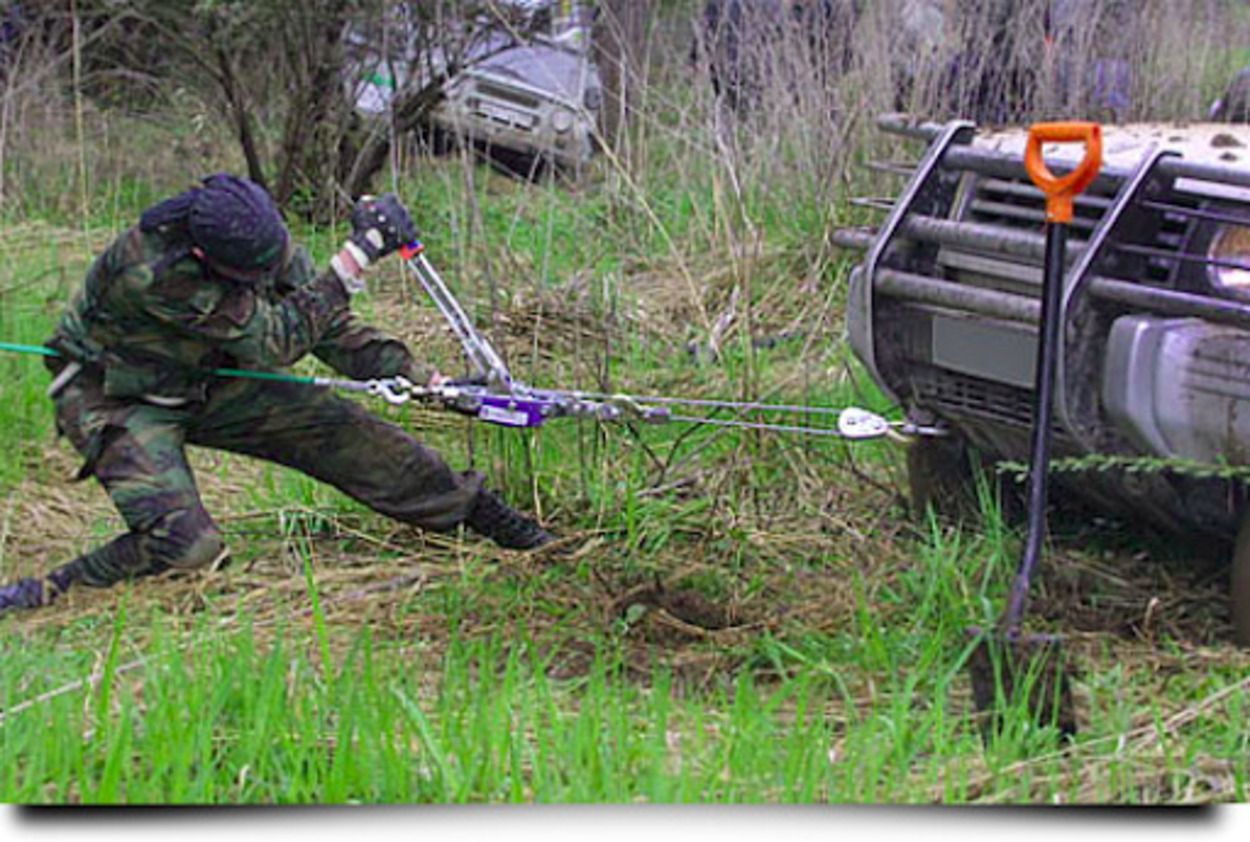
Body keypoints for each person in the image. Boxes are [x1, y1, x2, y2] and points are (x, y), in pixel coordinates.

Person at [0, 174, 552, 616]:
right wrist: (357, 256)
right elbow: (274, 341)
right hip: (114, 396)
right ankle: (50, 591)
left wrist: (428, 380)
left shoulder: (258, 239)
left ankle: (486, 516)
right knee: (189, 550)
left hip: (211, 380)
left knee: (344, 431)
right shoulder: (151, 269)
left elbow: (326, 326)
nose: (270, 271)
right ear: (205, 254)